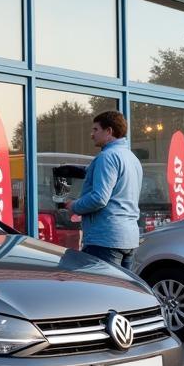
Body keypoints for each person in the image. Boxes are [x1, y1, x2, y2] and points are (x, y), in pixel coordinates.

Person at [67, 110, 142, 269]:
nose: (91, 134)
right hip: (129, 238)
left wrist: (74, 206)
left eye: (96, 129)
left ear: (109, 131)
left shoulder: (107, 157)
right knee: (124, 292)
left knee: (102, 291)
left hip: (105, 240)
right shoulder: (132, 158)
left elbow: (99, 198)